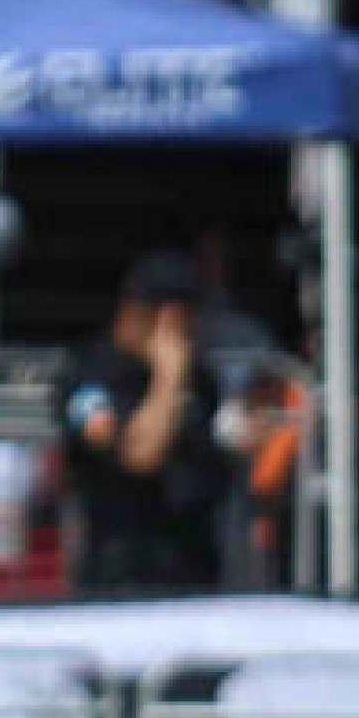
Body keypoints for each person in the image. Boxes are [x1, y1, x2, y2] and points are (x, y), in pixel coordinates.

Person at [60, 250, 235, 592]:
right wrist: (168, 376)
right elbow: (139, 456)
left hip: (193, 571)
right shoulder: (91, 376)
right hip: (121, 573)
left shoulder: (201, 379)